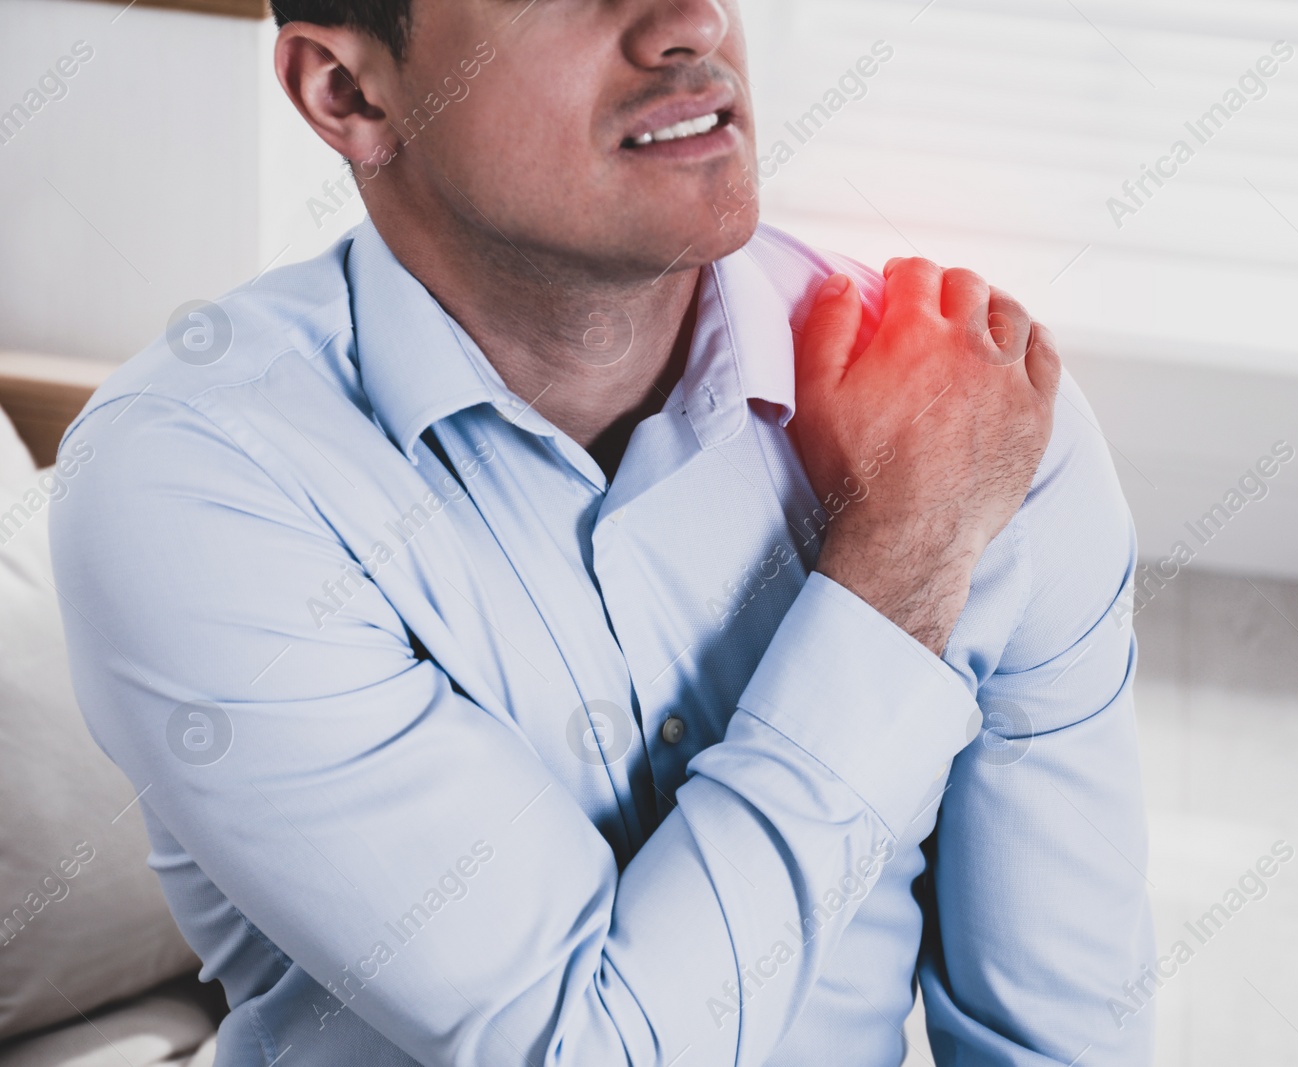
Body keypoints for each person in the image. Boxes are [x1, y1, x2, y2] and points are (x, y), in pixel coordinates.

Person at [51, 2, 1154, 1064]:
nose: (691, 21)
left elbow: (1061, 1037)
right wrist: (896, 570)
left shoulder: (979, 415)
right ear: (348, 92)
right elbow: (587, 1045)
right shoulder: (199, 475)